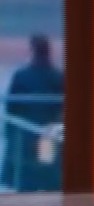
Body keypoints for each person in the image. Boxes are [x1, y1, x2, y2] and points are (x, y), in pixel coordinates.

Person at [4, 35, 62, 192]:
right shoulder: (58, 76)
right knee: (47, 166)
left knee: (27, 171)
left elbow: (12, 106)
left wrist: (9, 131)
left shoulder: (22, 76)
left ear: (32, 51)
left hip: (26, 131)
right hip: (49, 131)